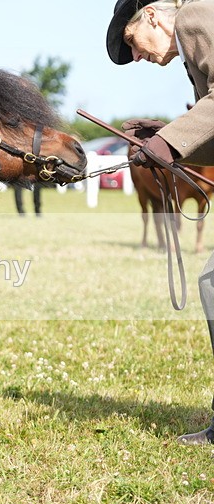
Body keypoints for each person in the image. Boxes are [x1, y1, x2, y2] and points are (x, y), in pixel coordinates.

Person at [107, 0, 214, 443]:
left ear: (151, 14)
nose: (137, 56)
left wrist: (173, 140)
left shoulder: (196, 15)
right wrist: (169, 135)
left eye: (132, 43)